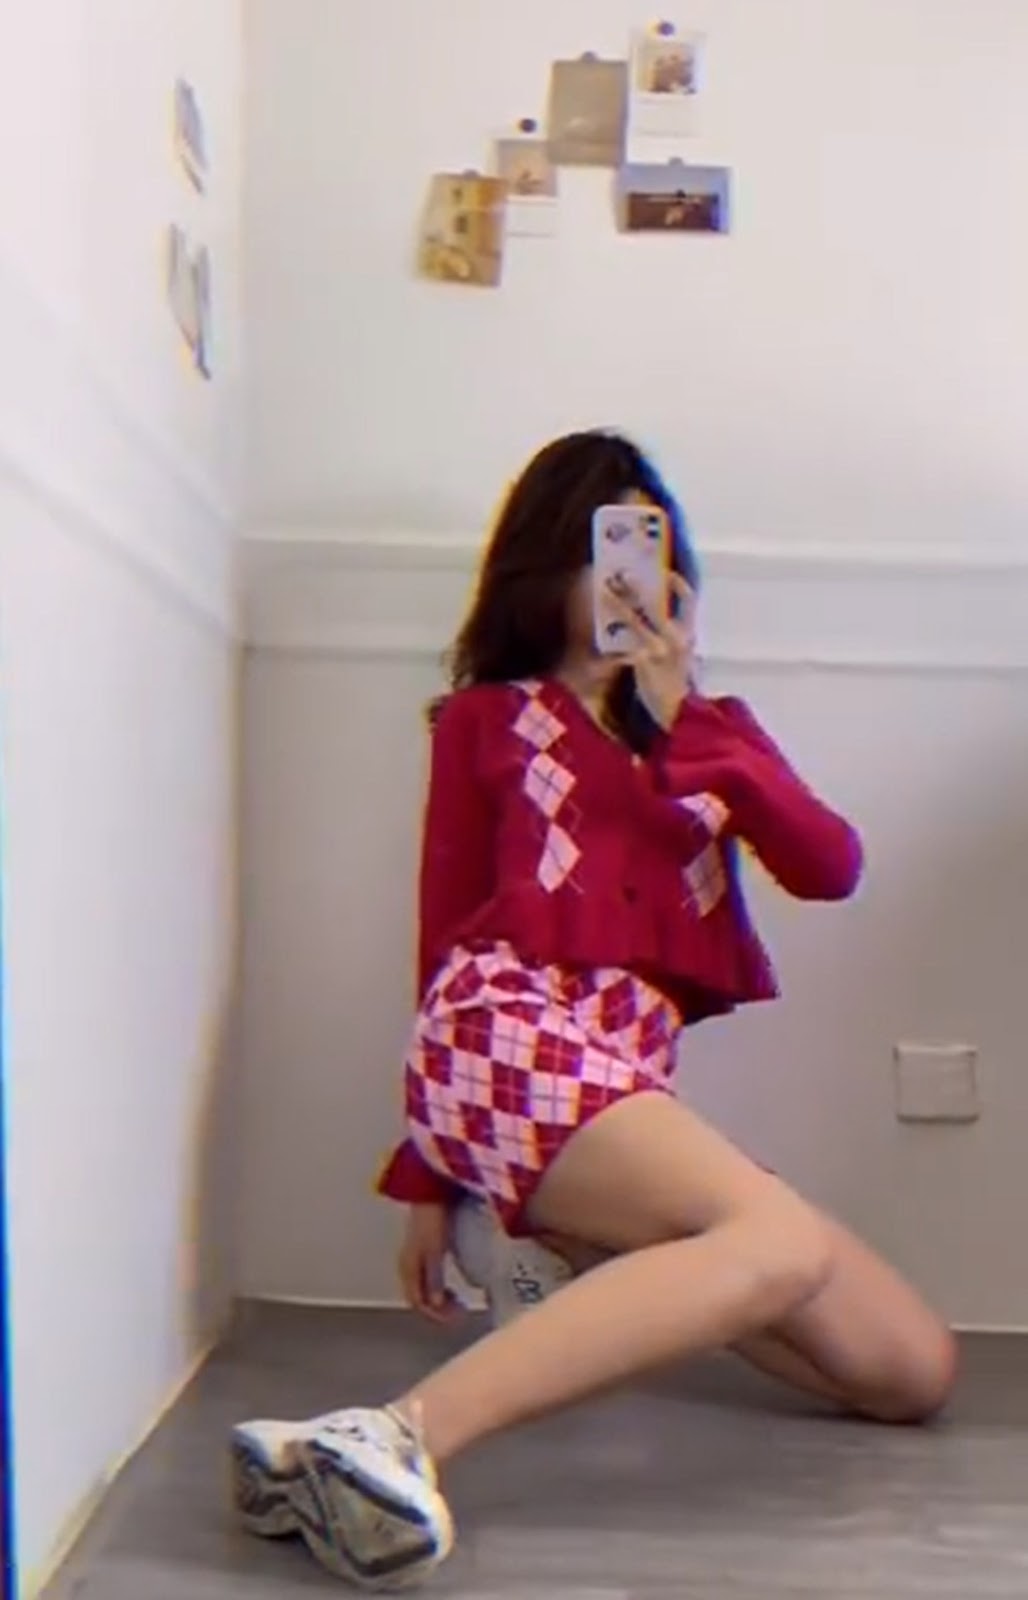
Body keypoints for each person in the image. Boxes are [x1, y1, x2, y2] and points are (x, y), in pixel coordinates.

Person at [230, 431, 956, 1592]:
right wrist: (426, 1175)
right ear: (544, 567)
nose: (626, 576)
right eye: (600, 547)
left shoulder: (715, 735)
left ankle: (306, 1458)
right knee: (775, 1239)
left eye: (647, 546)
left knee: (907, 1368)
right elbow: (440, 932)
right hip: (500, 1027)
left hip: (620, 1080)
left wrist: (685, 708)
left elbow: (830, 867)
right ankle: (395, 1433)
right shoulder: (486, 718)